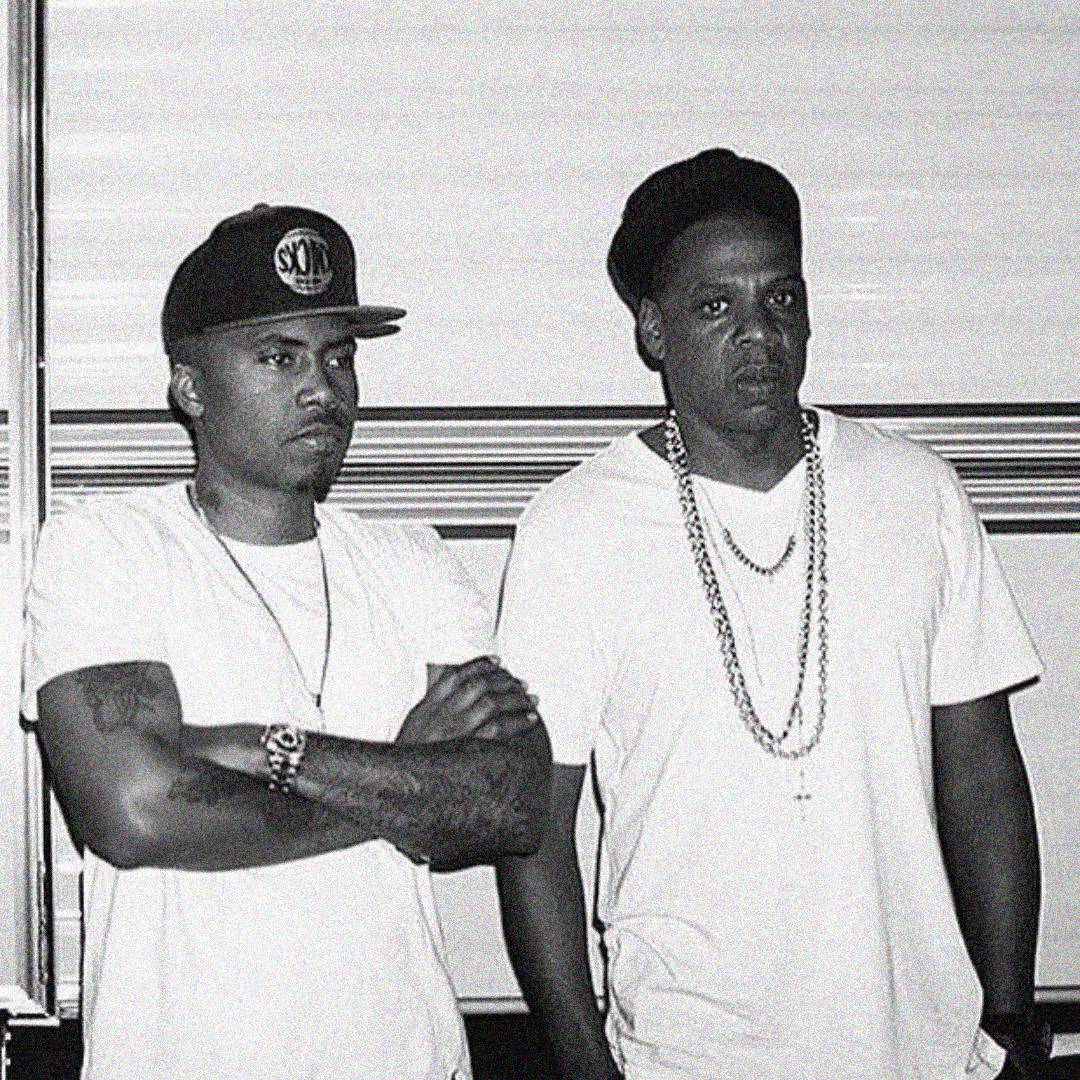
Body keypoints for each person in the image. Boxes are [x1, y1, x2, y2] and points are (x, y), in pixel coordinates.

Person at [494, 150, 1050, 1080]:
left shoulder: (917, 493)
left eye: (781, 299)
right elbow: (536, 835)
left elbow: (984, 772)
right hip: (690, 1054)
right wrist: (584, 1066)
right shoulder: (574, 529)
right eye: (717, 307)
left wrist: (1011, 1014)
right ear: (654, 331)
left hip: (926, 1050)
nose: (760, 333)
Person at [23, 203, 551, 1080]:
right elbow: (133, 812)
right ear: (190, 387)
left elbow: (510, 804)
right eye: (279, 357)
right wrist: (406, 780)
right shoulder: (106, 551)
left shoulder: (411, 561)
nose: (323, 388)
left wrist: (261, 750)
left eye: (337, 356)